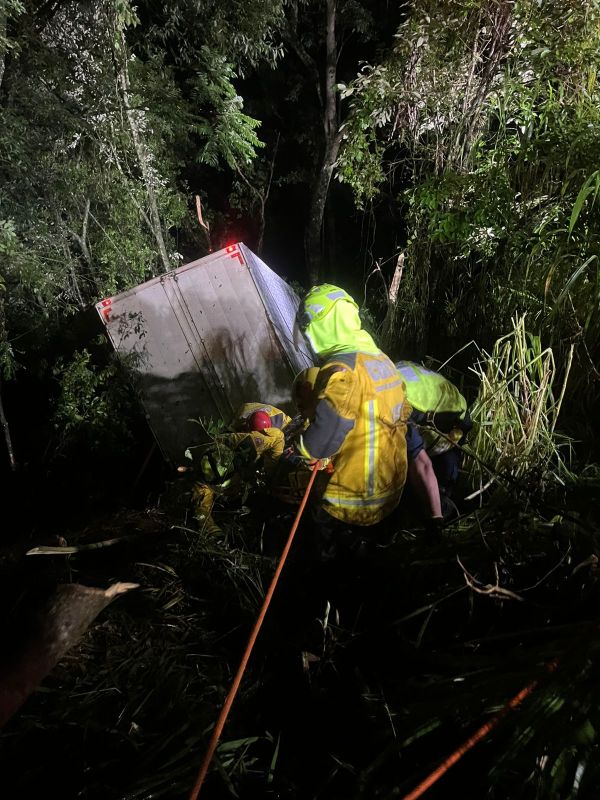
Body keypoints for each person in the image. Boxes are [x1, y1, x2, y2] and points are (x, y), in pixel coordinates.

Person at [291, 284, 442, 533]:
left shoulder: (343, 369)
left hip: (348, 506)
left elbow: (323, 440)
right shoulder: (382, 360)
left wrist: (301, 449)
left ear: (321, 324)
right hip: (390, 499)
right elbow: (397, 417)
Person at [395, 360, 472, 510]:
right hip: (434, 398)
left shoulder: (399, 405)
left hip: (453, 411)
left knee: (443, 455)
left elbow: (420, 460)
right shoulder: (384, 376)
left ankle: (442, 500)